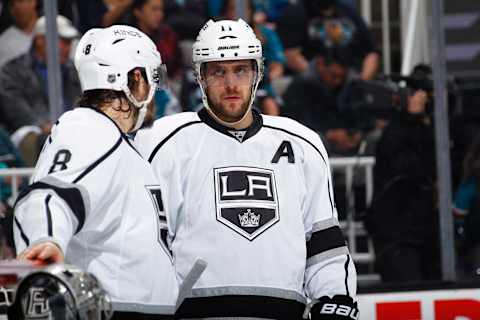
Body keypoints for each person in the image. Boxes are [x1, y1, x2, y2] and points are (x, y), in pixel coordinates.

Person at [135, 19, 358, 319]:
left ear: (257, 73)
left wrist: (336, 297)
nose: (230, 84)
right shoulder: (165, 141)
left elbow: (324, 243)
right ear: (200, 77)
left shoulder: (302, 143)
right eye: (218, 71)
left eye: (240, 70)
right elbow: (147, 244)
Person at [12, 25, 179, 319]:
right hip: (113, 310)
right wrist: (45, 239)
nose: (155, 93)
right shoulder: (89, 128)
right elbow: (50, 194)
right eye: (153, 79)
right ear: (135, 79)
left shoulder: (117, 142)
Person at [367, 66, 441, 283]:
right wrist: (411, 118)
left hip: (429, 231)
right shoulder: (396, 130)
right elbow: (405, 165)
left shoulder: (435, 128)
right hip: (398, 233)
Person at [0, 15, 81, 166]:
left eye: (69, 42)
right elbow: (15, 109)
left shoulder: (74, 71)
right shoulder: (12, 70)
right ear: (40, 40)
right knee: (33, 138)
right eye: (63, 41)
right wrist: (42, 125)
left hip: (71, 130)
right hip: (30, 135)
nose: (68, 47)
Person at [277, 0, 379, 80]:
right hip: (309, 81)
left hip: (349, 79)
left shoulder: (348, 11)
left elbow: (371, 53)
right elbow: (290, 54)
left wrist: (362, 82)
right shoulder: (296, 11)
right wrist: (322, 79)